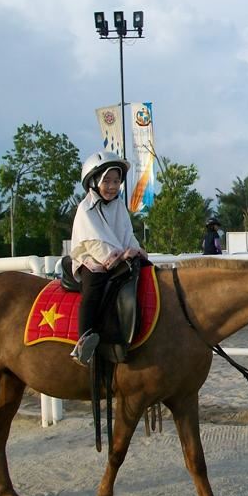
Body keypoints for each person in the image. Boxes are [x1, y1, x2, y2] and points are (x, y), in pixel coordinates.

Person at [69, 151, 148, 366]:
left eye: (116, 181)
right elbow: (93, 241)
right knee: (93, 289)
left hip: (119, 255)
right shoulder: (85, 209)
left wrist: (135, 250)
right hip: (92, 258)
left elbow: (126, 233)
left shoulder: (119, 206)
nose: (112, 186)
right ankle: (83, 340)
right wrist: (114, 257)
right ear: (94, 181)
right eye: (107, 181)